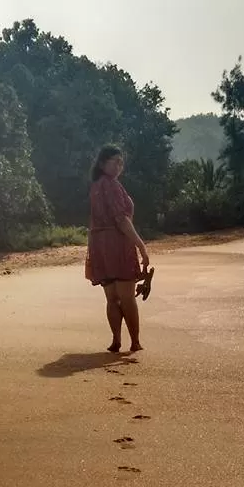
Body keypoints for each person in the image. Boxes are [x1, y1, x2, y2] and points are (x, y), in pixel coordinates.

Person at [85, 144, 149, 353]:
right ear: (103, 163)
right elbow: (121, 219)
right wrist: (140, 245)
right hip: (117, 244)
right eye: (115, 161)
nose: (119, 166)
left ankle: (116, 340)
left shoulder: (96, 185)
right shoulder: (111, 185)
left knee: (112, 297)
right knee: (127, 297)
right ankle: (135, 341)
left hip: (99, 244)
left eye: (121, 162)